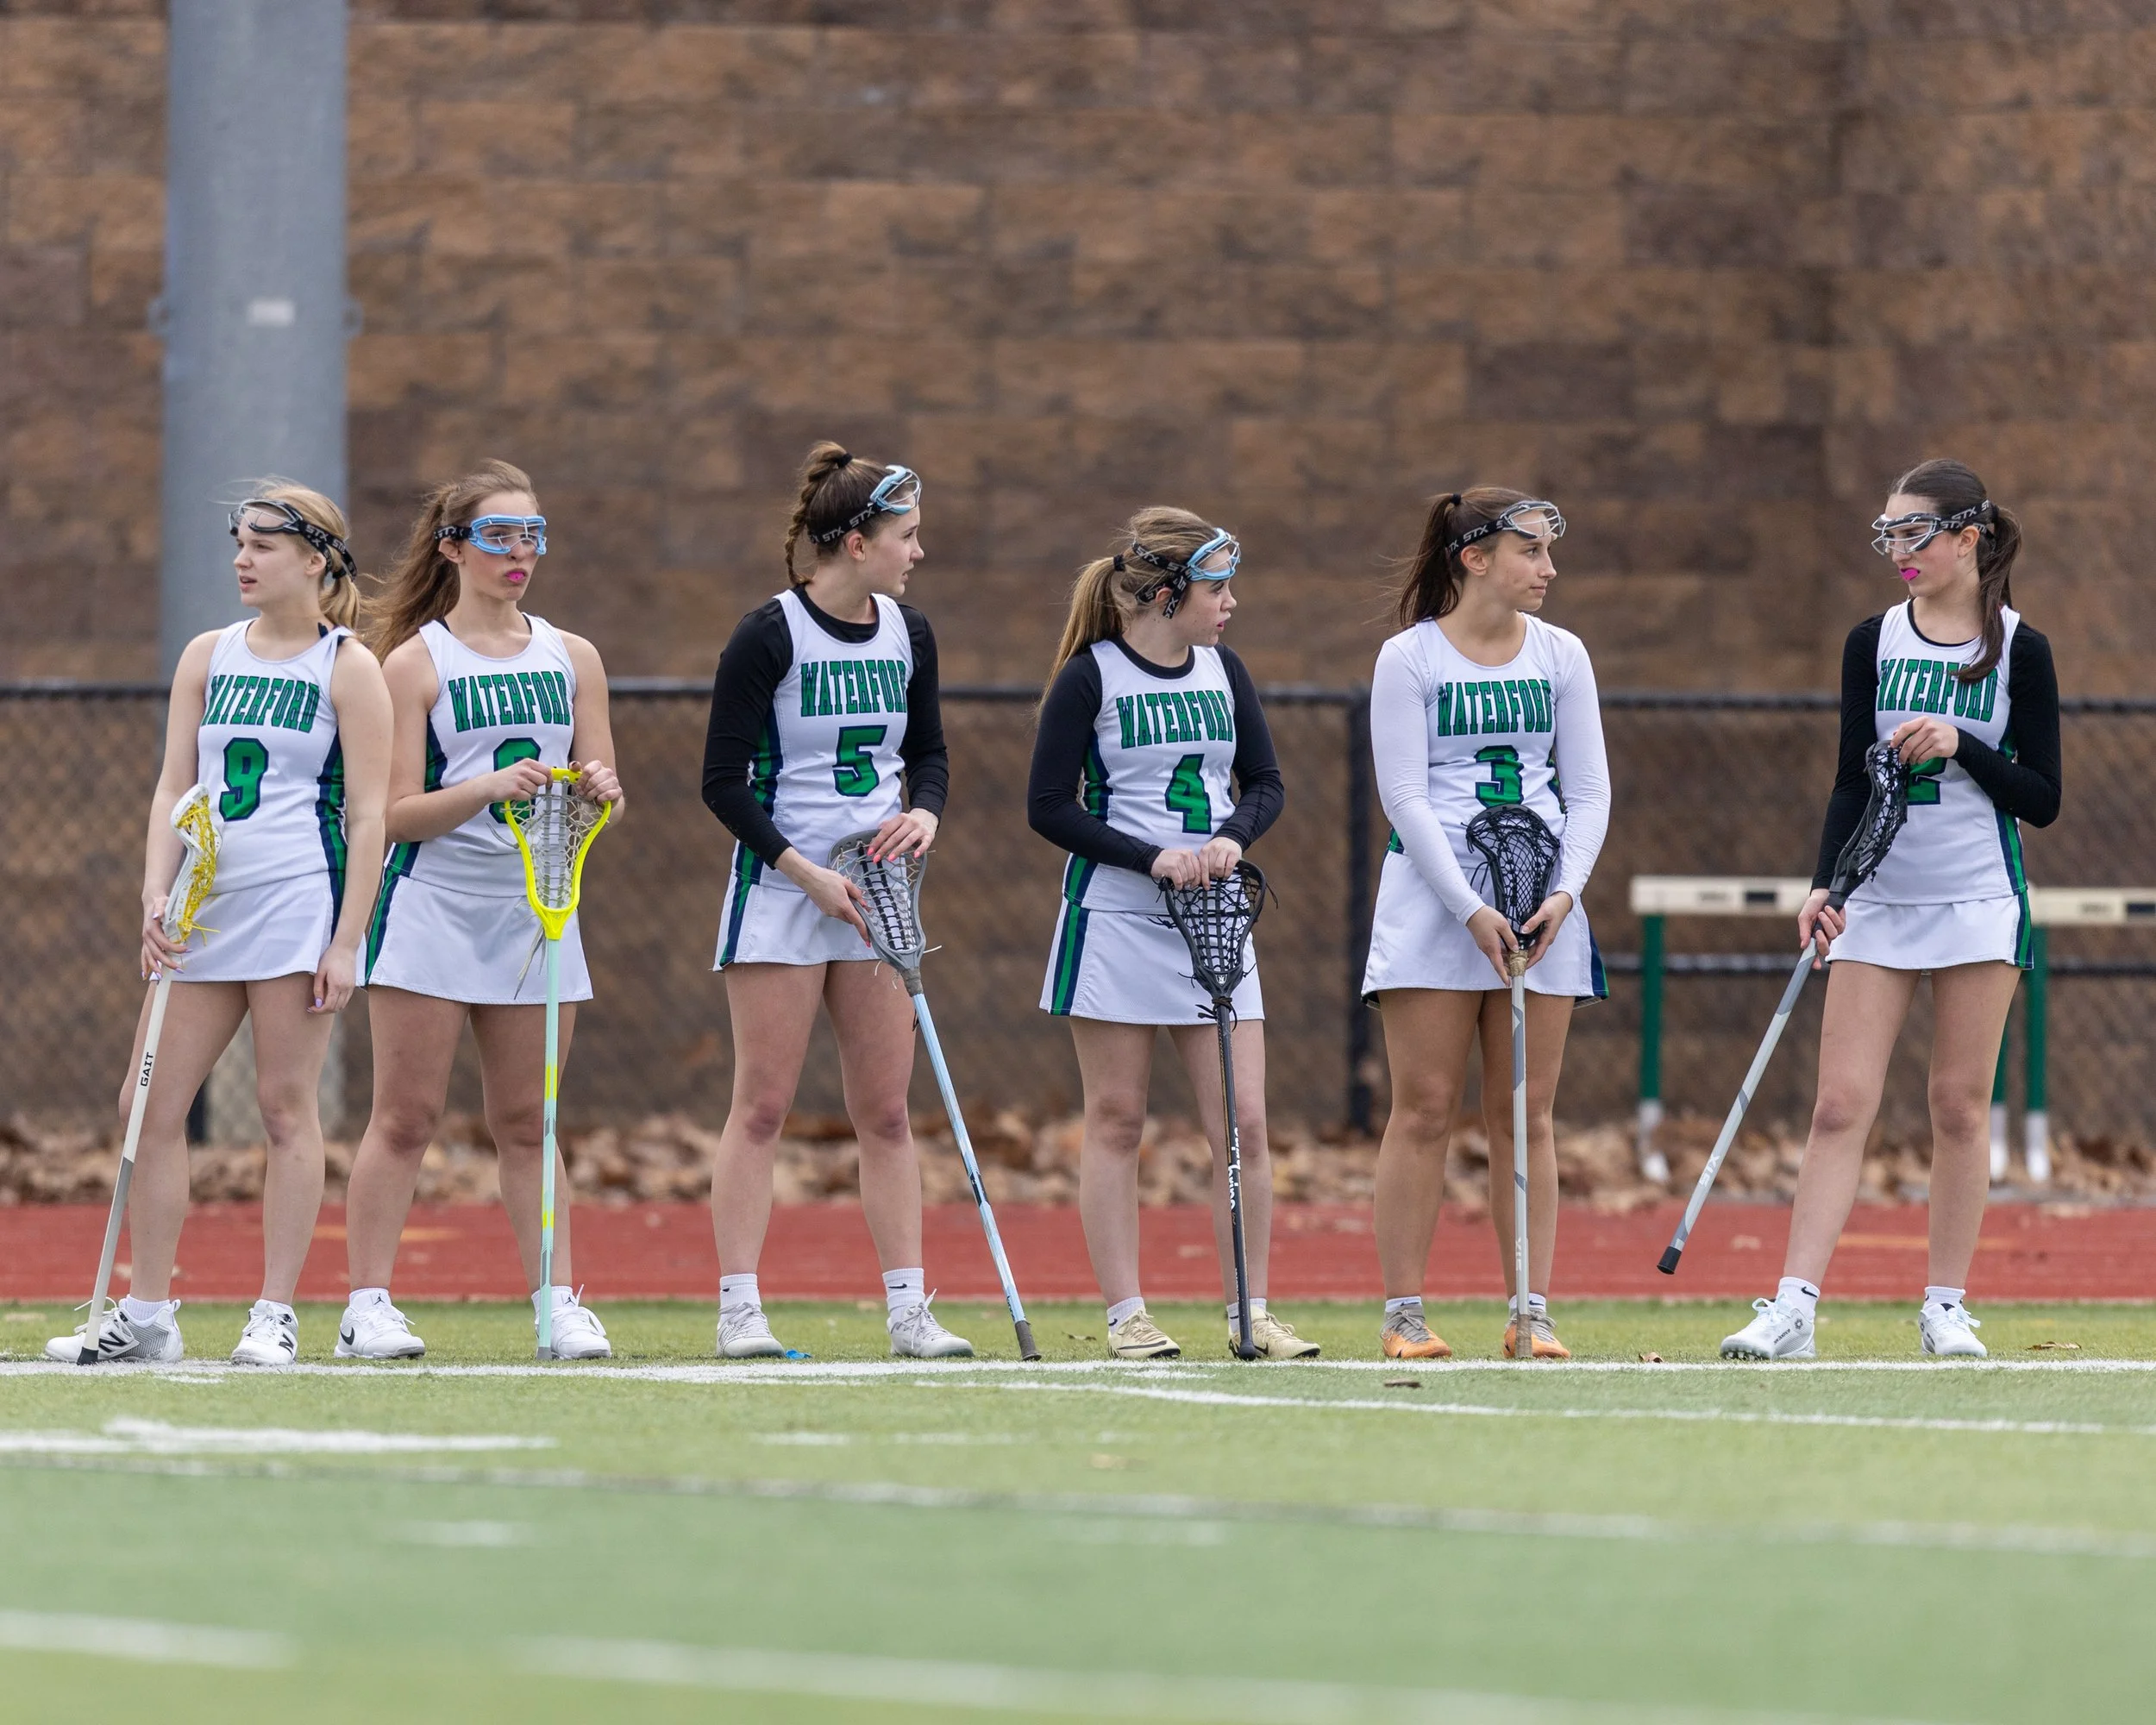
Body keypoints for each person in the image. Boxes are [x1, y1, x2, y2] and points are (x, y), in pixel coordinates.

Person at [47, 484, 392, 1367]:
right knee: (145, 1106)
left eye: (265, 545)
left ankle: (274, 1309)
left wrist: (347, 938)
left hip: (294, 904)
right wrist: (155, 895)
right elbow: (174, 786)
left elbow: (367, 816)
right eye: (239, 542)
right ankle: (150, 1307)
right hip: (206, 909)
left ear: (315, 559)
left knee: (283, 1108)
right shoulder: (208, 654)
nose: (244, 558)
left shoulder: (347, 667)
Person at [1723, 459, 2059, 1362]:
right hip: (1878, 898)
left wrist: (1961, 744)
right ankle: (1792, 1305)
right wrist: (1824, 881)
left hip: (1979, 898)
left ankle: (1945, 1305)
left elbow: (2040, 796)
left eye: (1914, 533)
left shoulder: (2018, 648)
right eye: (1888, 534)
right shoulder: (1870, 641)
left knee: (1956, 1105)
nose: (1898, 550)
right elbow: (1846, 779)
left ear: (1965, 537)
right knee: (1838, 1104)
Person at [337, 459, 624, 1361]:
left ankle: (556, 1302)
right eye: (499, 535)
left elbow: (601, 788)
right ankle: (367, 1304)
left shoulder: (573, 657)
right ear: (453, 546)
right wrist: (487, 786)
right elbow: (393, 814)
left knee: (529, 1120)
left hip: (537, 910)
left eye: (532, 534)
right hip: (434, 906)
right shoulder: (413, 662)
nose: (519, 553)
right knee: (405, 1116)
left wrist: (600, 790)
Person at [699, 442, 972, 1361]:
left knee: (887, 1111)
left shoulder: (909, 632)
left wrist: (924, 814)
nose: (917, 552)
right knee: (763, 1105)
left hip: (881, 897)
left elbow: (927, 752)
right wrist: (802, 870)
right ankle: (740, 1306)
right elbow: (721, 781)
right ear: (855, 542)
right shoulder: (768, 633)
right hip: (785, 891)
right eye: (906, 536)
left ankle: (908, 1308)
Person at [1027, 507, 1314, 1362]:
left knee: (1244, 1121)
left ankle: (1249, 1307)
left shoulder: (1225, 671)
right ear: (1164, 592)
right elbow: (1048, 806)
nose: (1230, 604)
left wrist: (1233, 837)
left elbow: (1263, 781)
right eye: (1217, 587)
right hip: (1115, 919)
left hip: (1215, 923)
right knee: (1116, 1119)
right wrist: (1149, 856)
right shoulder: (1091, 677)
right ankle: (1126, 1314)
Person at [1362, 489, 1610, 1362]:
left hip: (1540, 903)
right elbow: (1404, 794)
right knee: (1423, 1106)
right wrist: (1466, 904)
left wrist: (1565, 892)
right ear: (1474, 558)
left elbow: (1584, 790)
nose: (1546, 570)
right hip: (1436, 905)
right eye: (1530, 552)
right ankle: (1404, 1313)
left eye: (1548, 553)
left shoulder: (1562, 654)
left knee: (1526, 1112)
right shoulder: (1409, 658)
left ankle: (1529, 1307)